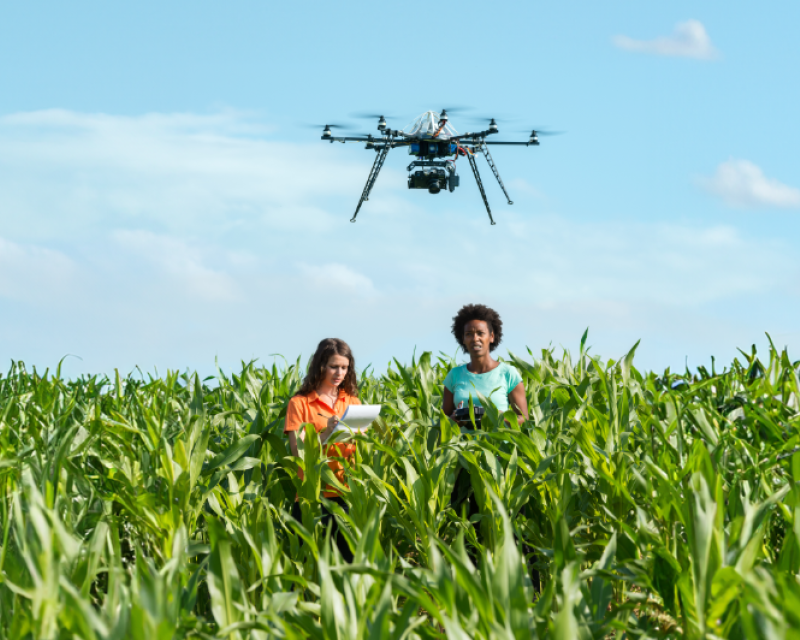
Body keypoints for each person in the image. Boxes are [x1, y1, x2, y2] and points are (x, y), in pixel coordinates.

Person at [284, 338, 360, 562]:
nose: (339, 373)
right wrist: (326, 434)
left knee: (348, 565)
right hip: (312, 498)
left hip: (346, 494)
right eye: (334, 366)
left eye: (344, 367)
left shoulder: (352, 402)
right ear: (321, 366)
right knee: (309, 565)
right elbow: (298, 453)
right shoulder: (299, 404)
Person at [442, 304, 529, 423]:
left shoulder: (508, 374)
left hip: (498, 441)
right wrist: (455, 419)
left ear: (491, 336)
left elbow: (524, 419)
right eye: (469, 334)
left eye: (480, 333)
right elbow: (443, 421)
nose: (474, 339)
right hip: (463, 442)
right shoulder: (454, 375)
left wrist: (495, 415)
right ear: (463, 339)